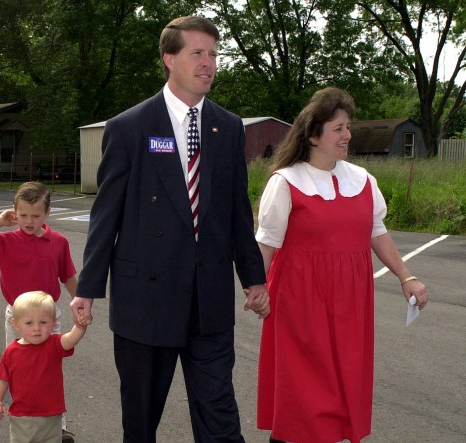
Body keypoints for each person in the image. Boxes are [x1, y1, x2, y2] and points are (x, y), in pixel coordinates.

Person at [72, 16, 270, 442]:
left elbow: (238, 209)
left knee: (220, 417)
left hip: (209, 302)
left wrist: (254, 278)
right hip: (146, 302)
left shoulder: (228, 126)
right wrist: (86, 287)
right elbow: (107, 213)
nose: (209, 63)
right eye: (197, 53)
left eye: (214, 55)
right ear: (169, 58)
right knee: (141, 422)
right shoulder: (129, 128)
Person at [254, 86, 429, 443]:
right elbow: (267, 242)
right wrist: (257, 288)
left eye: (348, 126)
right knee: (304, 391)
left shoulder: (363, 180)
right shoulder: (286, 182)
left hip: (351, 302)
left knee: (342, 383)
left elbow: (377, 233)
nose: (347, 135)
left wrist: (406, 277)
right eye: (338, 128)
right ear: (314, 135)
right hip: (300, 301)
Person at [0, 181, 78, 441]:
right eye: (23, 215)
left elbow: (69, 276)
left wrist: (80, 303)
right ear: (14, 213)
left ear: (47, 213)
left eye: (36, 215)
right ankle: (26, 421)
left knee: (49, 372)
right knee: (20, 370)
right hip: (18, 320)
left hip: (49, 319)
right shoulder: (5, 240)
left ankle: (57, 426)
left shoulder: (58, 241)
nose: (29, 221)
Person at [0, 291, 86, 443]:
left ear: (53, 323)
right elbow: (2, 379)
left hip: (51, 415)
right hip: (21, 416)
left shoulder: (54, 344)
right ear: (16, 324)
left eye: (43, 322)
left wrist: (80, 326)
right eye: (29, 323)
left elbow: (71, 339)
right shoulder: (11, 352)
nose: (36, 328)